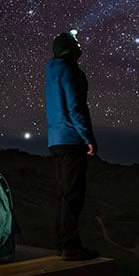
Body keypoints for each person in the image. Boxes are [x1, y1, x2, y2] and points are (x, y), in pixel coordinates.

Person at [44, 31, 99, 261]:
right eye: (76, 42)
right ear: (69, 49)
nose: (79, 44)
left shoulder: (52, 72)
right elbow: (76, 108)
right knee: (73, 195)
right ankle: (70, 247)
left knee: (64, 194)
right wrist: (87, 137)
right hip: (71, 139)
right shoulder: (71, 71)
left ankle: (62, 243)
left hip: (55, 141)